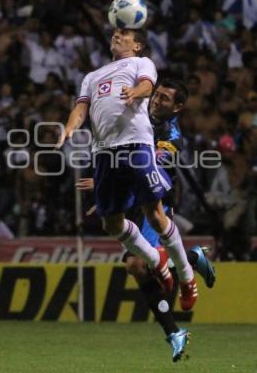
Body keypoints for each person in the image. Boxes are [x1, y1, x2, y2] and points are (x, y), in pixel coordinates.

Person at [57, 27, 197, 311]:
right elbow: (81, 108)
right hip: (105, 153)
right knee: (111, 224)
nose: (117, 36)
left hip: (136, 147)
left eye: (125, 34)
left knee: (156, 217)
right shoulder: (92, 77)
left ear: (138, 46)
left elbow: (147, 84)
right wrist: (71, 126)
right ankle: (158, 260)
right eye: (115, 33)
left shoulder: (141, 63)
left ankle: (186, 276)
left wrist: (136, 92)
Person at [76, 78, 216, 362]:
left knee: (137, 265)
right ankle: (188, 262)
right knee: (137, 268)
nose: (156, 99)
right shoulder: (138, 111)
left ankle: (174, 324)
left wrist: (110, 183)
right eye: (158, 94)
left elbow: (149, 165)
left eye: (165, 98)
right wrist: (106, 185)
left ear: (178, 107)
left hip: (153, 201)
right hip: (128, 196)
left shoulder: (171, 135)